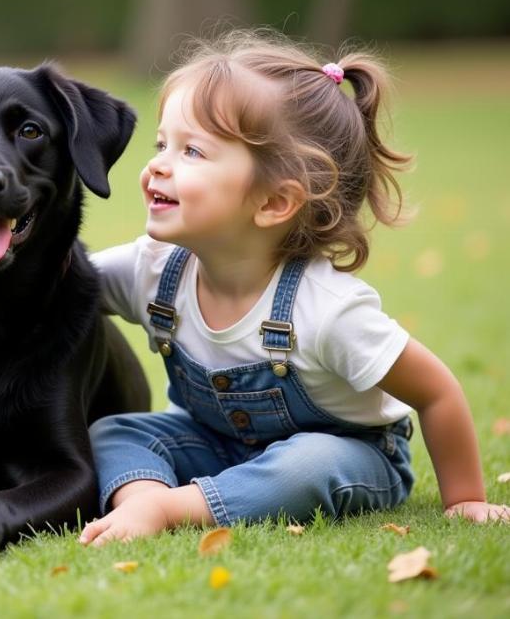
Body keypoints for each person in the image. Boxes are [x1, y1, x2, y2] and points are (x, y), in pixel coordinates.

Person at [79, 30, 509, 547]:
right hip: (215, 444)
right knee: (116, 432)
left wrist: (465, 499)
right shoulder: (151, 270)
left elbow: (436, 391)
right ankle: (143, 500)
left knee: (307, 462)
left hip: (350, 454)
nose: (157, 165)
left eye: (191, 151)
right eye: (162, 143)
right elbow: (56, 289)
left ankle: (172, 507)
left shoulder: (327, 309)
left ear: (273, 203)